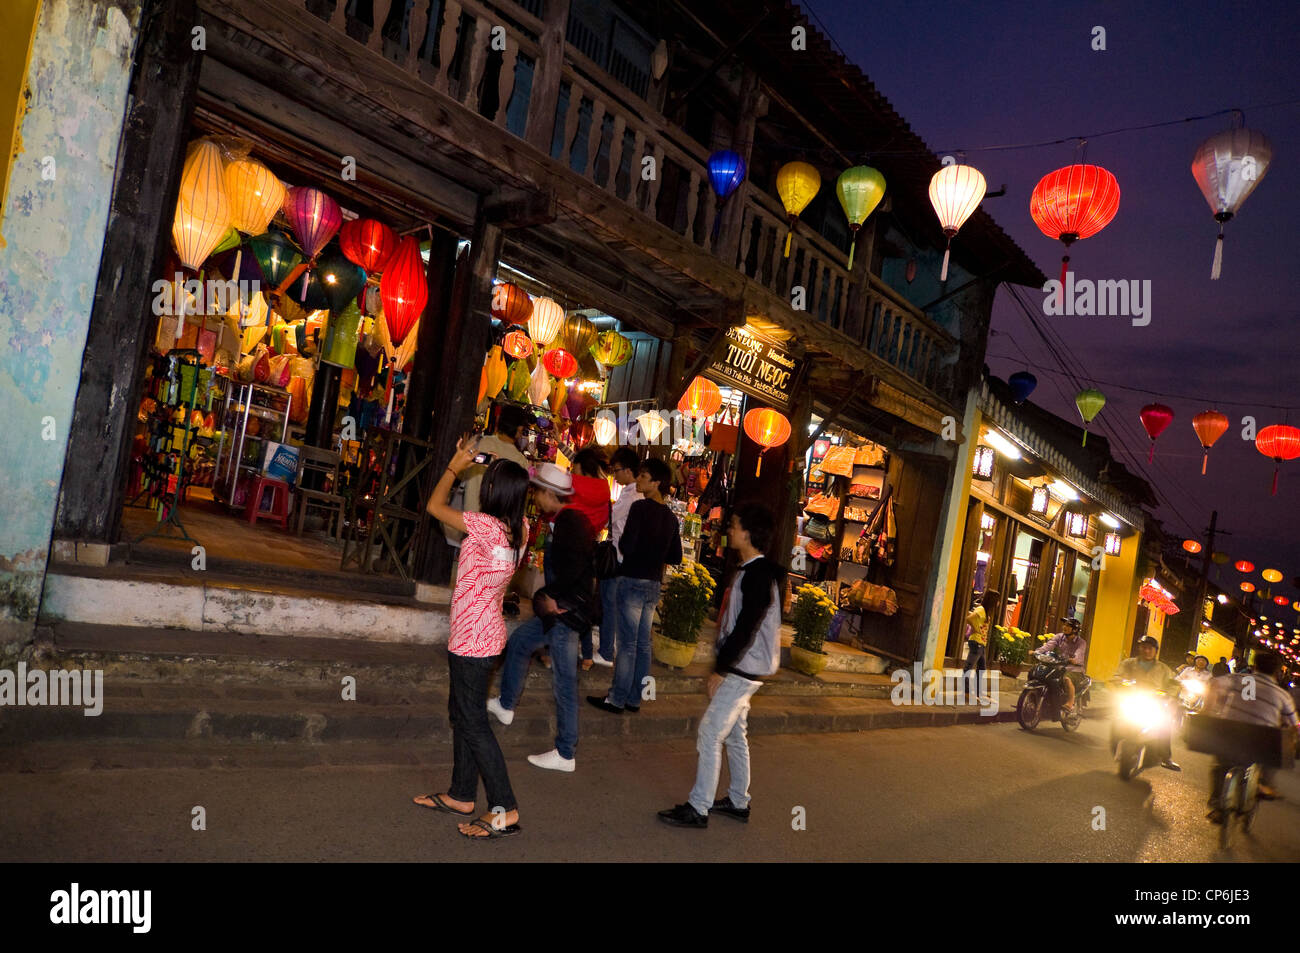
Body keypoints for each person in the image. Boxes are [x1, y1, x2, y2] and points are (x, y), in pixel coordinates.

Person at [414, 444, 528, 839]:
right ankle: (462, 794)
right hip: (487, 635)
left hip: (471, 641)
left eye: (489, 480)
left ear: (495, 489)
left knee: (474, 724)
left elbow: (433, 506)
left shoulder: (484, 525)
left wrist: (453, 467)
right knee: (464, 715)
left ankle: (505, 808)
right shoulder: (521, 529)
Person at [659, 503, 784, 828]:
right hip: (748, 667)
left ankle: (698, 808)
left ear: (749, 533)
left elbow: (746, 626)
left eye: (735, 525)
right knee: (733, 735)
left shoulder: (757, 574)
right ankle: (739, 800)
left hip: (742, 669)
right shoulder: (752, 570)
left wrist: (721, 667)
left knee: (710, 733)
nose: (729, 530)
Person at [488, 463, 595, 772]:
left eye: (536, 492)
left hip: (563, 613)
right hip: (558, 610)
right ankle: (506, 705)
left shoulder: (569, 523)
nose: (533, 497)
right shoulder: (566, 521)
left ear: (550, 494)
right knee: (521, 642)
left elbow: (575, 570)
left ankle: (565, 752)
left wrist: (552, 597)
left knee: (564, 682)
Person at [588, 457, 682, 714]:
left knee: (628, 645)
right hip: (653, 583)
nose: (638, 480)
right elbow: (675, 557)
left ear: (656, 483)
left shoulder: (640, 509)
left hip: (631, 579)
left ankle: (617, 698)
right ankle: (634, 698)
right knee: (642, 645)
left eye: (643, 477)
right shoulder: (671, 519)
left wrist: (637, 550)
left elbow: (627, 546)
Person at [1204, 651, 1298, 811]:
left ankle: (1215, 801)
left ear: (1254, 666)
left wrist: (1207, 710)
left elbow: (1214, 684)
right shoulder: (1282, 695)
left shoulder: (1238, 679)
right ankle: (1264, 783)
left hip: (1229, 734)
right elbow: (1294, 725)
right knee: (1282, 747)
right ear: (1278, 672)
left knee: (1221, 765)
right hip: (1260, 742)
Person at [592, 447, 642, 668]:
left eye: (617, 470)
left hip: (618, 557)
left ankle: (605, 652)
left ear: (629, 470)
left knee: (609, 604)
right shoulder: (636, 493)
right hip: (628, 558)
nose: (615, 475)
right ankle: (609, 650)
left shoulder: (631, 495)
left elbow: (611, 517)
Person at [565, 448, 610, 670]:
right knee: (581, 602)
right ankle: (587, 656)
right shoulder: (605, 488)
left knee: (560, 598)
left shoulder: (571, 482)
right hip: (588, 547)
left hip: (567, 545)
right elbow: (603, 520)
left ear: (581, 466)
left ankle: (558, 652)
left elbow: (558, 510)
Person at [1114, 635, 1181, 770]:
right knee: (1117, 719)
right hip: (1132, 699)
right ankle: (1116, 744)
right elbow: (1117, 676)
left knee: (1165, 725)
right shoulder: (1128, 663)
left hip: (1155, 703)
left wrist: (1170, 694)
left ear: (1155, 651)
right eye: (1144, 647)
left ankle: (1166, 757)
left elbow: (1174, 684)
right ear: (1139, 648)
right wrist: (1120, 682)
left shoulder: (1164, 669)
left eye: (1150, 648)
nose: (1146, 651)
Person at [1038, 617, 1088, 712]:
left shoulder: (1081, 642)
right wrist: (1037, 652)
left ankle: (1070, 703)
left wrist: (1074, 659)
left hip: (1075, 669)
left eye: (1068, 626)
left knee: (1067, 678)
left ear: (1075, 630)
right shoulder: (1059, 637)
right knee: (1044, 675)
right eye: (1064, 625)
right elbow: (1049, 645)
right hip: (1061, 666)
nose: (1064, 627)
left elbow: (1079, 653)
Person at [962, 589, 1000, 702]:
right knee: (969, 667)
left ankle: (979, 693)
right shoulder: (981, 609)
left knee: (981, 669)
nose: (998, 603)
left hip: (981, 644)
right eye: (997, 600)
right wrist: (976, 629)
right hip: (977, 643)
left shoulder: (985, 611)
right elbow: (969, 618)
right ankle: (967, 692)